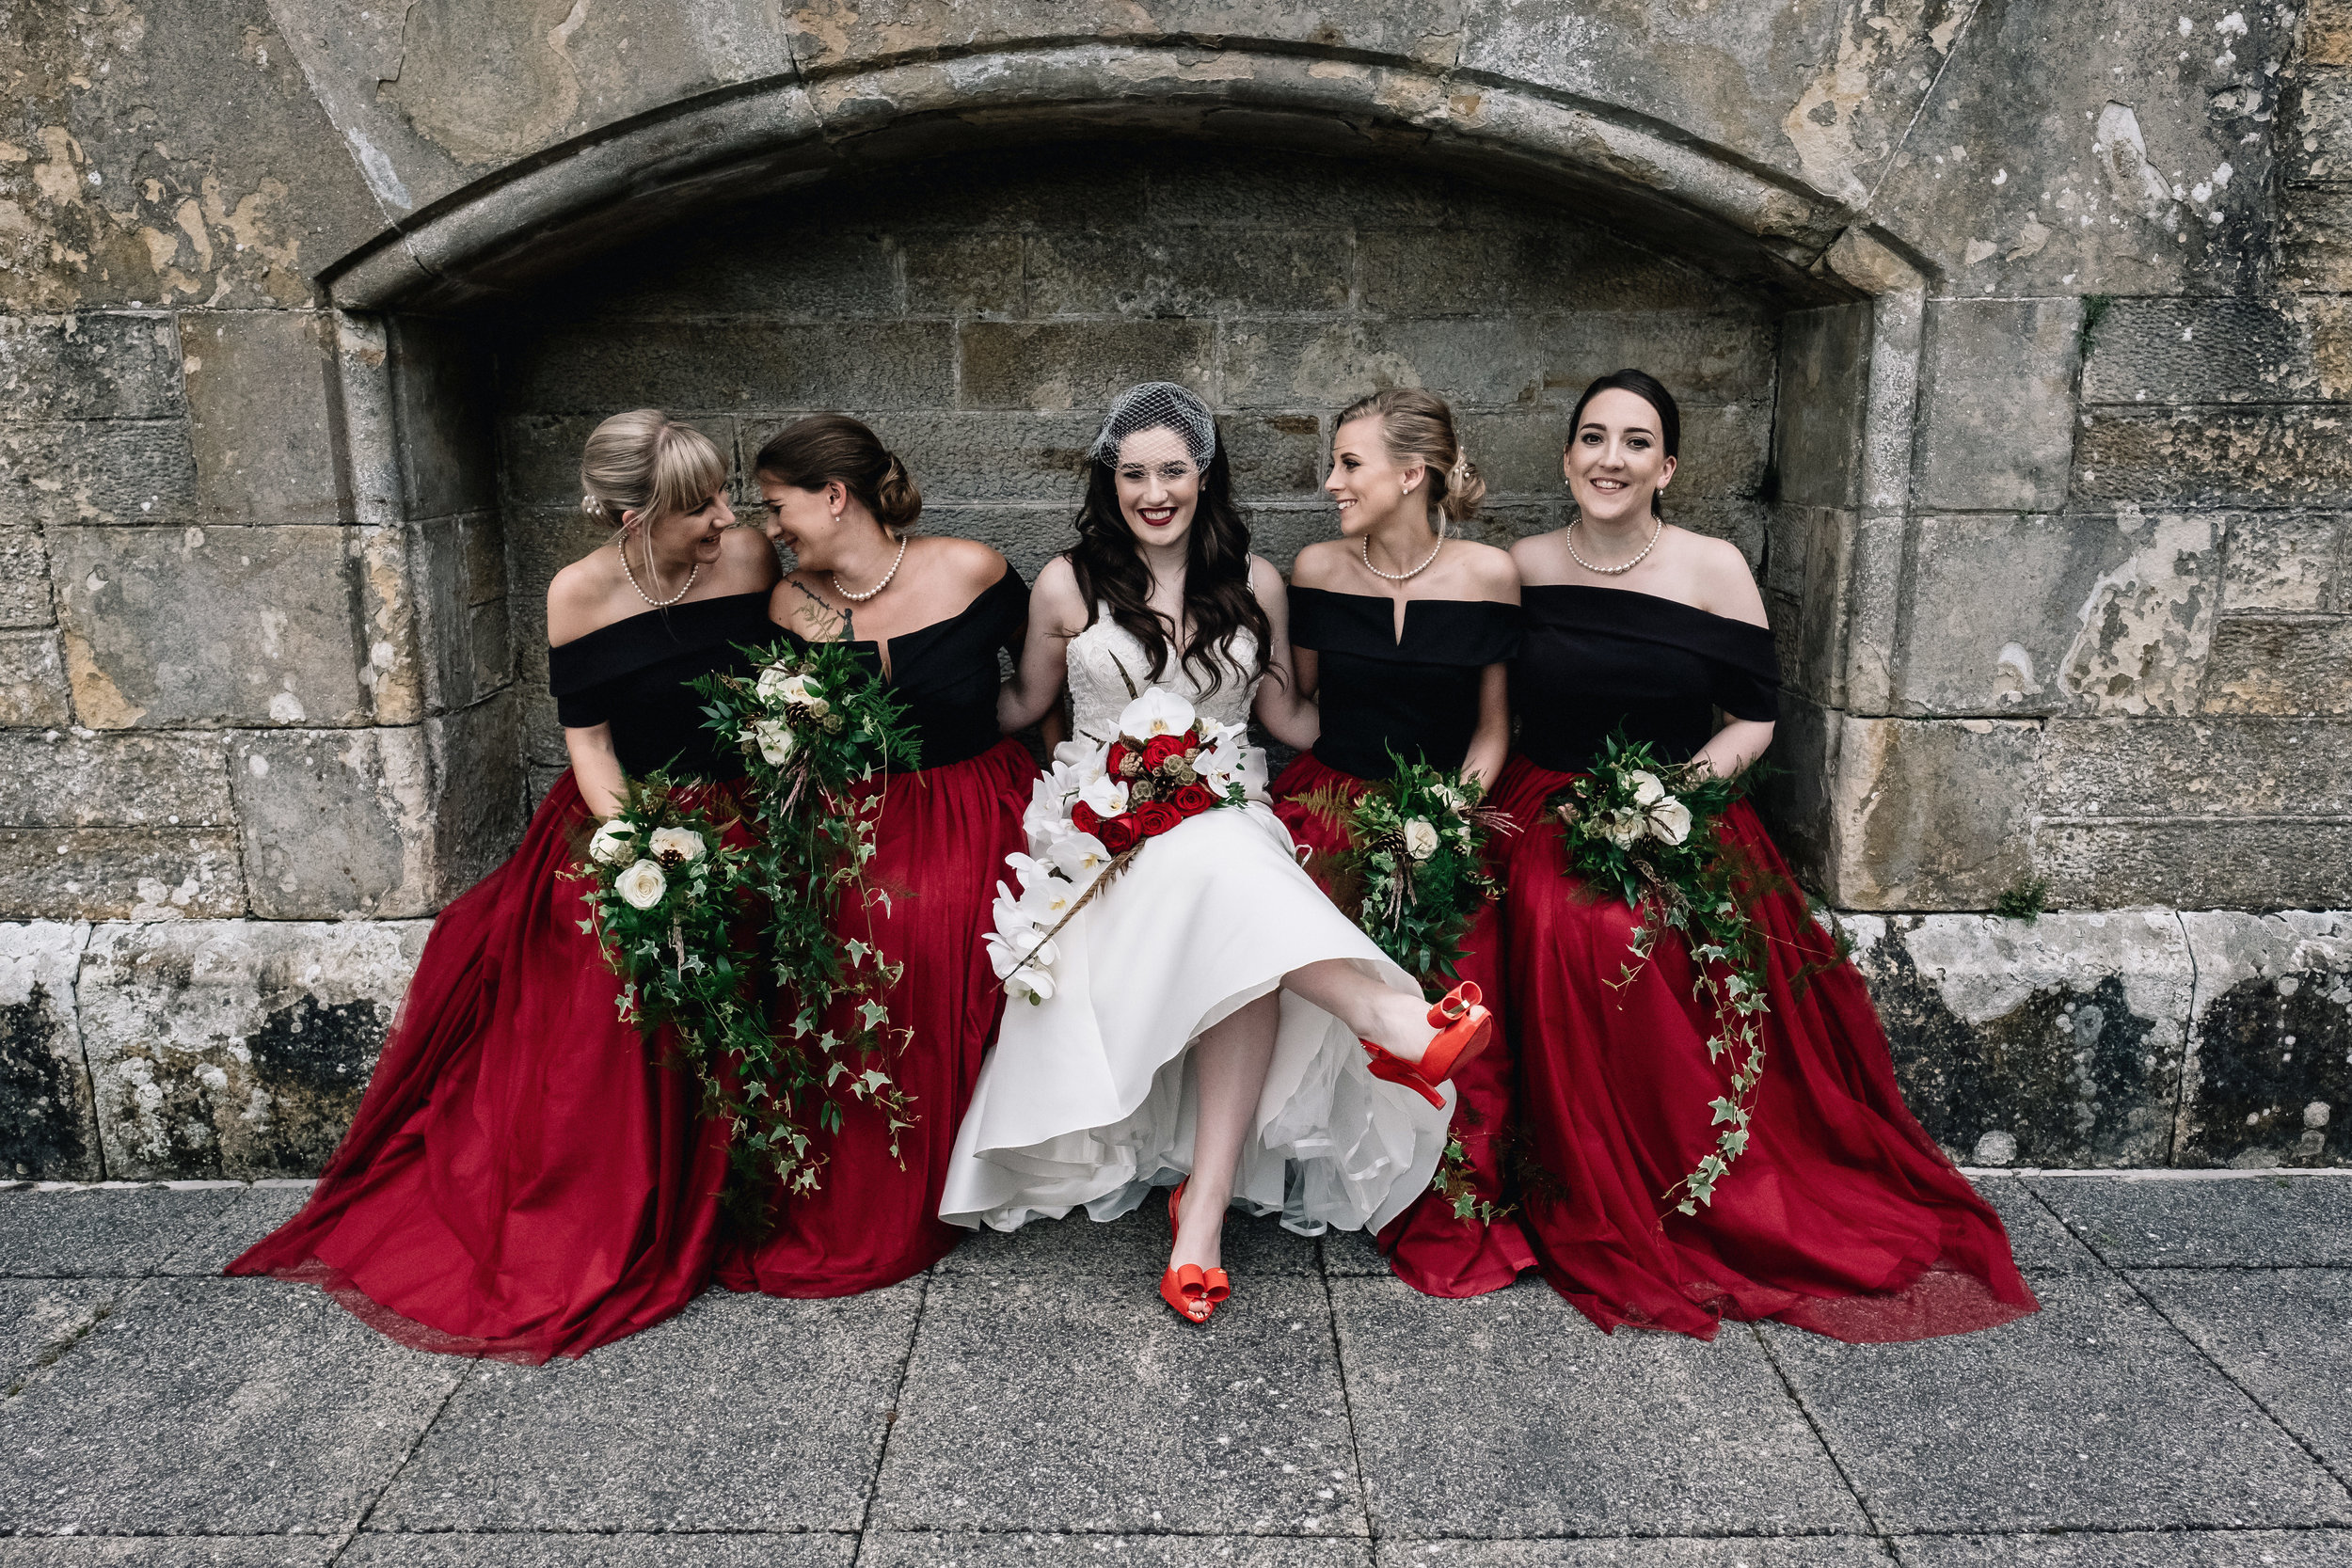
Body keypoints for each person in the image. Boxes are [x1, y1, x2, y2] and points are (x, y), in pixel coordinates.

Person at [1497, 369, 2037, 1341]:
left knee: (1639, 928)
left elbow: (1752, 717)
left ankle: (1682, 1182)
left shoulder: (1713, 568)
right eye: (1592, 437)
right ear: (1566, 456)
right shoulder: (1523, 564)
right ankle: (1582, 1172)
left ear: (1667, 467)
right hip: (1546, 798)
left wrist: (1665, 801)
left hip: (1678, 801)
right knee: (1565, 918)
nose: (1610, 458)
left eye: (1634, 442)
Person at [230, 410, 780, 1360]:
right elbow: (591, 746)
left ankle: (743, 1190)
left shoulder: (750, 558)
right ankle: (613, 1200)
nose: (726, 517)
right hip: (631, 818)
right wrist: (647, 853)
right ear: (632, 516)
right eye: (700, 504)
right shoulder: (578, 592)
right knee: (608, 969)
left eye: (724, 493)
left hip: (748, 807)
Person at [937, 382, 1488, 1324]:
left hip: (1228, 810)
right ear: (1110, 480)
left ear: (1204, 475)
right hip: (1100, 831)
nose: (1153, 492)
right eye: (1133, 474)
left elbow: (1290, 720)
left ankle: (1205, 1211)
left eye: (1173, 471)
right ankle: (1383, 1016)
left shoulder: (1257, 583)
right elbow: (1024, 703)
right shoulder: (1067, 585)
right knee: (1234, 874)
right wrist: (905, 717)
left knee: (1229, 860)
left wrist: (1410, 711)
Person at [714, 416, 1037, 1296]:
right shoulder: (790, 603)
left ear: (834, 496)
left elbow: (1041, 693)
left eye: (777, 506)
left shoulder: (971, 568)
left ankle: (953, 1167)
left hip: (974, 802)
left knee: (929, 930)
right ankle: (858, 1173)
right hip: (851, 819)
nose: (771, 527)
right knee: (841, 934)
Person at [1269, 388, 1536, 1300]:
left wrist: (1447, 819)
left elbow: (1493, 729)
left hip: (1446, 811)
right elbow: (1302, 713)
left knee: (1461, 984)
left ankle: (1445, 1191)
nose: (1331, 482)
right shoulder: (1315, 566)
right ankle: (1325, 1165)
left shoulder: (1490, 573)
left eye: (1350, 463)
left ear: (1412, 473)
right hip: (1329, 804)